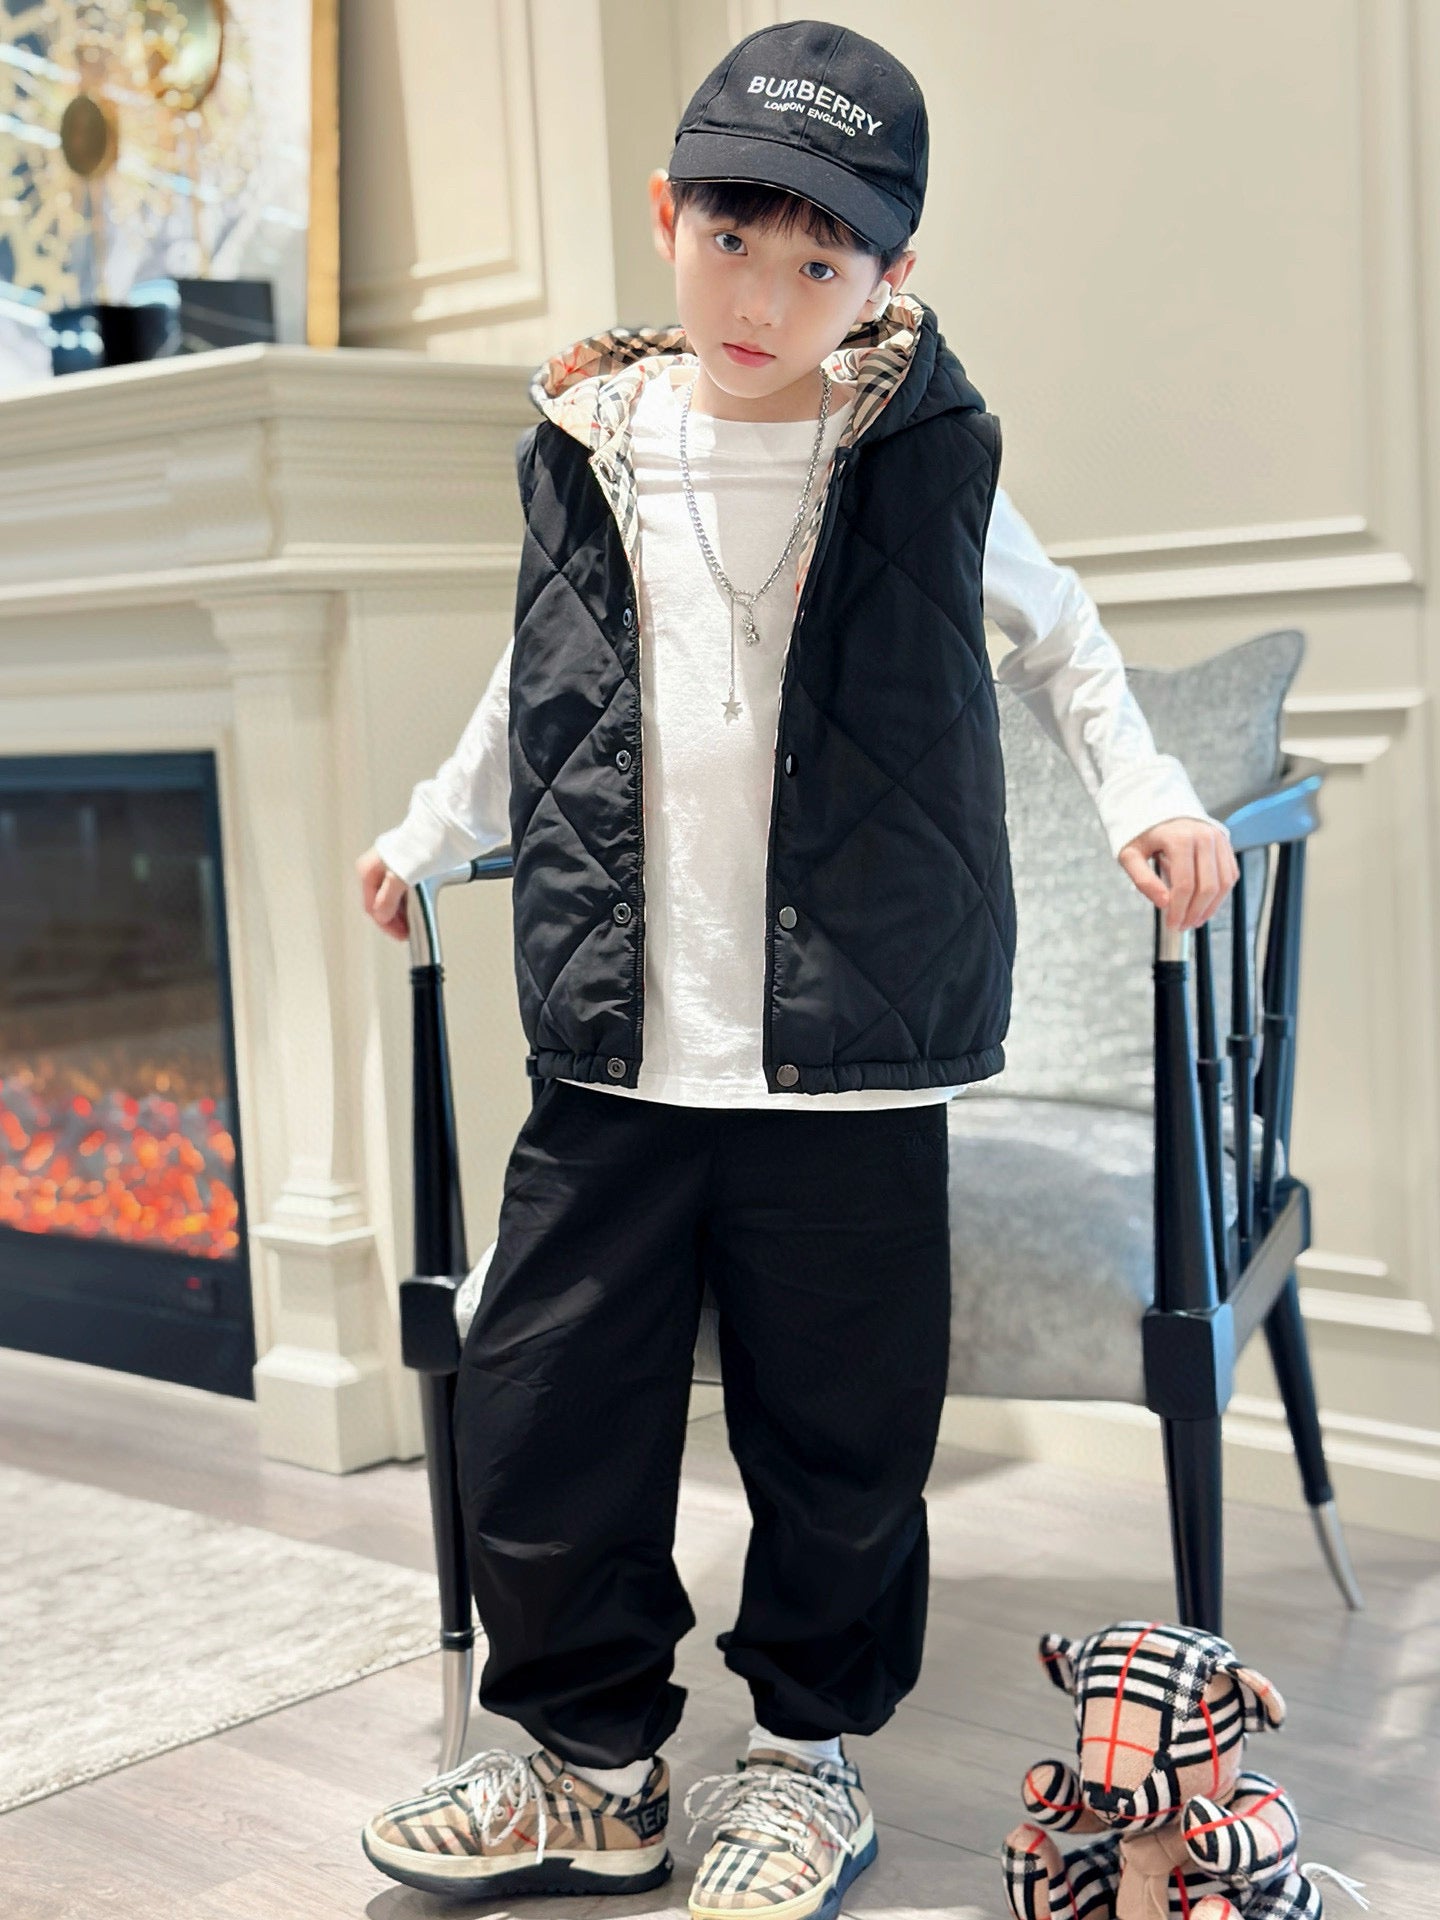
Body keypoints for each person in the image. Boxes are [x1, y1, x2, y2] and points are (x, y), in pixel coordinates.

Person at [355, 19, 1239, 1918]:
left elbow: (1064, 644)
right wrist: (429, 829)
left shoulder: (923, 459)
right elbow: (534, 684)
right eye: (731, 240)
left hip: (850, 1056)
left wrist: (1151, 797)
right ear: (664, 217)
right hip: (618, 1045)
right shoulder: (593, 445)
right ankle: (593, 1771)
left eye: (819, 260)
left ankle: (803, 1764)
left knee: (839, 1436)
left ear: (891, 273)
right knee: (544, 1405)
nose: (763, 296)